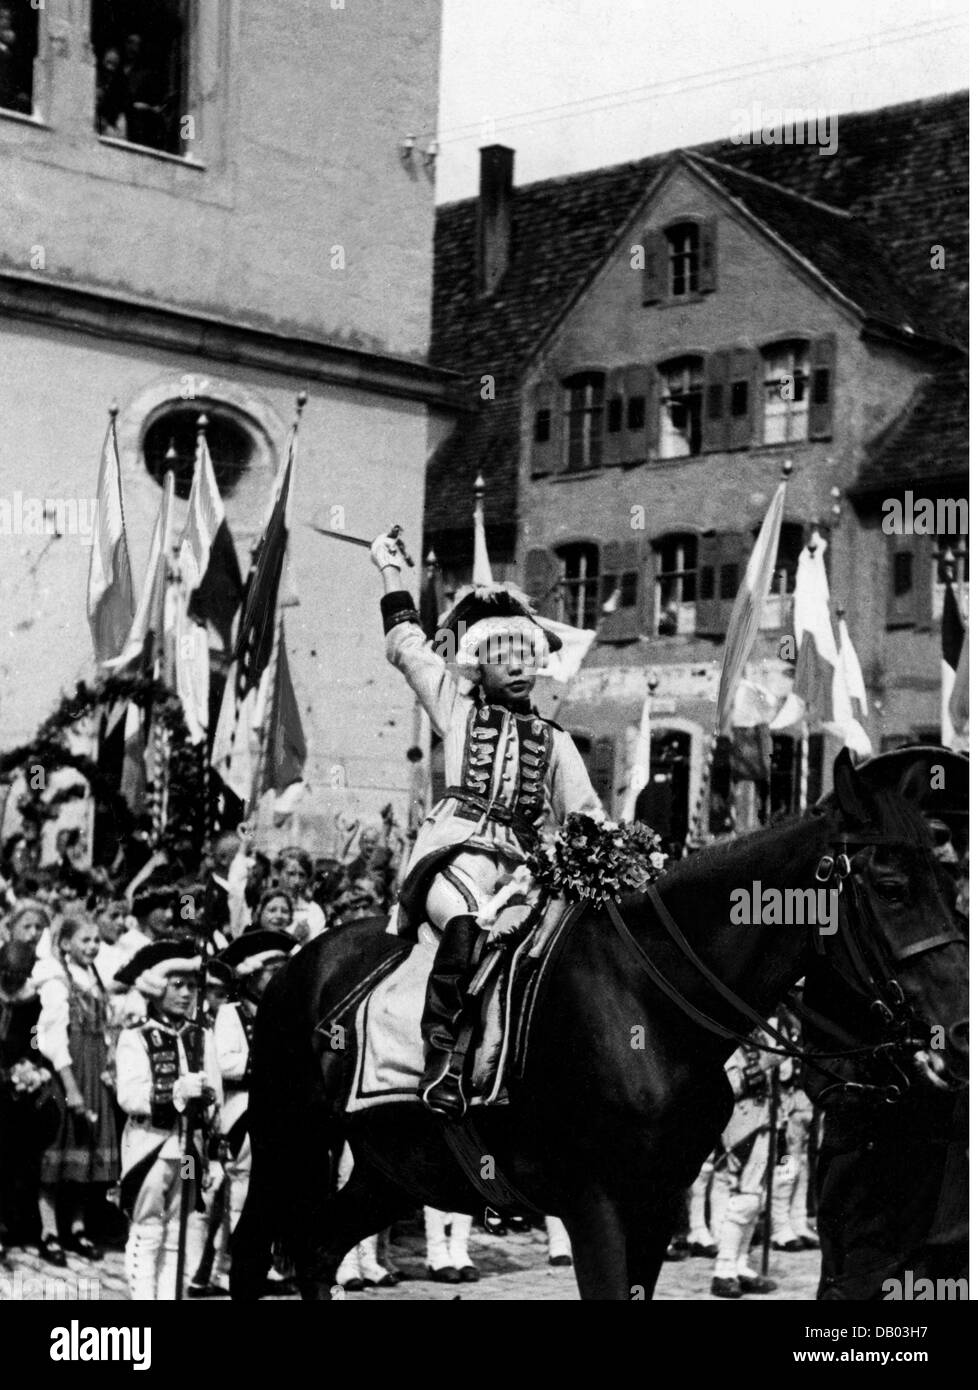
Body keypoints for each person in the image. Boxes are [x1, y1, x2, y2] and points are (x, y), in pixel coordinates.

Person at [371, 530, 606, 1116]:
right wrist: (390, 572)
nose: (520, 668)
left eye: (527, 657)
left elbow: (588, 817)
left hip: (522, 871)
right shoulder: (455, 705)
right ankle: (441, 1059)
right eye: (506, 657)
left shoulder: (555, 741)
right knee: (469, 923)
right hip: (456, 854)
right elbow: (407, 644)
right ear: (480, 663)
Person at [113, 940, 222, 1299]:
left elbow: (215, 1097)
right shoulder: (136, 1037)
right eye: (177, 985)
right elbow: (129, 1095)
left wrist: (215, 1145)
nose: (186, 993)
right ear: (157, 989)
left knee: (180, 1227)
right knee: (148, 1230)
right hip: (152, 1147)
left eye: (191, 986)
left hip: (190, 1152)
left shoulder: (200, 1037)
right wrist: (176, 1092)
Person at [202, 928, 295, 1297]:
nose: (278, 978)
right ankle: (229, 1264)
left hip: (280, 1108)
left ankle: (265, 1261)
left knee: (273, 1190)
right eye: (271, 970)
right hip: (244, 1107)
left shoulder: (289, 1012)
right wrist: (270, 1063)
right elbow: (224, 1061)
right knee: (238, 1192)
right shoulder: (231, 1013)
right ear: (251, 975)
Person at [32, 916, 120, 1266]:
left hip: (95, 1072)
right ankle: (48, 1229)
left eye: (96, 940)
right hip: (68, 1073)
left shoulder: (96, 979)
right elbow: (51, 1039)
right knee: (58, 1151)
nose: (92, 946)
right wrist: (71, 1088)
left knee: (87, 1148)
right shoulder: (57, 981)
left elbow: (107, 1027)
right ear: (66, 943)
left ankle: (78, 1226)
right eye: (85, 940)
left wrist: (110, 1061)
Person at [710, 1036, 780, 1298]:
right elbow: (729, 1086)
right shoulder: (727, 1044)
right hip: (740, 1127)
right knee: (742, 1200)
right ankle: (724, 1270)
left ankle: (740, 1264)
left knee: (753, 1200)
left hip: (761, 1123)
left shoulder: (759, 1040)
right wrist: (764, 1064)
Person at [0, 940, 53, 1258]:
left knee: (13, 1156)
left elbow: (34, 1037)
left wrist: (30, 1065)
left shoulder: (31, 1002)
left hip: (14, 1090)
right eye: (9, 974)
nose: (14, 980)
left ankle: (12, 1222)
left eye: (20, 974)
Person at [273, 848, 326, 943]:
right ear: (277, 873)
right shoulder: (264, 905)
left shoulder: (313, 911)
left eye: (302, 875)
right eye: (291, 874)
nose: (296, 881)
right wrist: (294, 938)